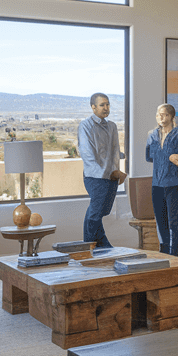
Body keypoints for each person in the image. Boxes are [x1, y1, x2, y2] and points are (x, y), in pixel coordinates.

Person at [145, 103, 178, 256]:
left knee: (174, 222)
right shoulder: (152, 135)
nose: (161, 117)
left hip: (175, 183)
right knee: (161, 223)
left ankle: (174, 255)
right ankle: (164, 255)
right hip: (157, 184)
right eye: (159, 114)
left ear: (172, 117)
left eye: (165, 114)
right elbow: (149, 156)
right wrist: (168, 157)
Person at [78, 93, 125, 248]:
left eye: (107, 104)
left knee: (101, 213)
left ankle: (100, 246)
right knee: (95, 213)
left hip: (111, 176)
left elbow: (115, 151)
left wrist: (116, 171)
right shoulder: (85, 126)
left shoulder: (112, 126)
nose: (106, 108)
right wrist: (105, 173)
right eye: (102, 105)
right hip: (95, 177)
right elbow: (87, 155)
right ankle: (91, 247)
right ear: (93, 107)